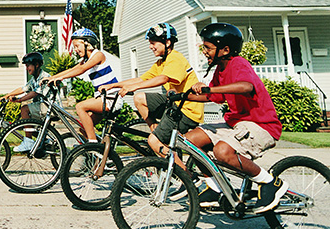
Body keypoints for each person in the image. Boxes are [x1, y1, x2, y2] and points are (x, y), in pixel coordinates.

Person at [184, 23, 286, 213]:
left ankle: (270, 182)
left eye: (208, 47)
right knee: (189, 140)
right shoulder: (219, 70)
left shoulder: (238, 63)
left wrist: (210, 88)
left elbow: (246, 86)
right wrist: (181, 96)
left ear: (225, 50)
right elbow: (212, 96)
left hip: (261, 125)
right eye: (203, 47)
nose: (204, 52)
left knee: (222, 152)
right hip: (237, 123)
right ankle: (215, 187)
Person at [99, 22, 203, 157]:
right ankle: (156, 130)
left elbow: (163, 79)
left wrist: (134, 87)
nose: (150, 47)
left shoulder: (175, 58)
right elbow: (141, 79)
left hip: (187, 111)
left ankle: (185, 175)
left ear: (167, 42)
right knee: (139, 98)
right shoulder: (161, 63)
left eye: (153, 43)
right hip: (174, 104)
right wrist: (113, 85)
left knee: (153, 142)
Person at [43, 28, 120, 142]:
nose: (75, 50)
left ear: (87, 43)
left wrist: (61, 78)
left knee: (80, 107)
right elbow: (74, 69)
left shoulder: (98, 55)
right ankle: (95, 156)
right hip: (103, 98)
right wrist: (52, 77)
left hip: (111, 99)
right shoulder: (86, 59)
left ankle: (92, 145)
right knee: (84, 128)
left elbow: (83, 69)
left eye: (77, 46)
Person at [0, 52, 50, 152]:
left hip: (49, 107)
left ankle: (28, 142)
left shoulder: (44, 76)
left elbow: (35, 93)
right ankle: (45, 140)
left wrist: (20, 100)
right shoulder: (34, 78)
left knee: (25, 109)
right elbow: (23, 88)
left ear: (37, 65)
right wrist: (7, 95)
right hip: (41, 108)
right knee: (26, 123)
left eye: (28, 66)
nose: (27, 69)